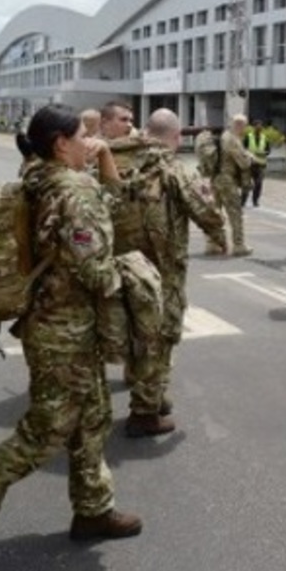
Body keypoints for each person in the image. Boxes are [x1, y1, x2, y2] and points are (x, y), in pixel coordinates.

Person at [0, 105, 141, 563]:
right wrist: (131, 277)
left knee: (93, 417)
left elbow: (89, 213)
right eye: (82, 135)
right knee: (45, 431)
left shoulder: (39, 177)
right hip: (65, 332)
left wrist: (101, 166)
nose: (89, 140)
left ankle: (93, 509)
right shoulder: (74, 190)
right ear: (61, 143)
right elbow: (93, 268)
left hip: (56, 324)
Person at [114, 109, 227, 436]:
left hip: (118, 266)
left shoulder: (116, 160)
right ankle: (145, 412)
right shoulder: (173, 168)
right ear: (176, 138)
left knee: (134, 332)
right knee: (159, 338)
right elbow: (207, 213)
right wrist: (219, 234)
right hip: (161, 273)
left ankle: (154, 392)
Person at [214, 114, 255, 256]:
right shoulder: (232, 139)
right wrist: (250, 158)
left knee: (215, 212)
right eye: (244, 126)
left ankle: (213, 243)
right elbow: (242, 162)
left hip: (216, 178)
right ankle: (238, 245)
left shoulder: (224, 136)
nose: (245, 129)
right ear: (239, 125)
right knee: (235, 212)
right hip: (227, 179)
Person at [242, 119, 270, 207]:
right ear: (253, 127)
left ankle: (255, 200)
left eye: (260, 126)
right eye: (257, 126)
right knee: (246, 183)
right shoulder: (248, 137)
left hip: (260, 164)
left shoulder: (264, 138)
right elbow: (242, 149)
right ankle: (243, 201)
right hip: (249, 164)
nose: (259, 127)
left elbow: (268, 150)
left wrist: (264, 153)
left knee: (258, 183)